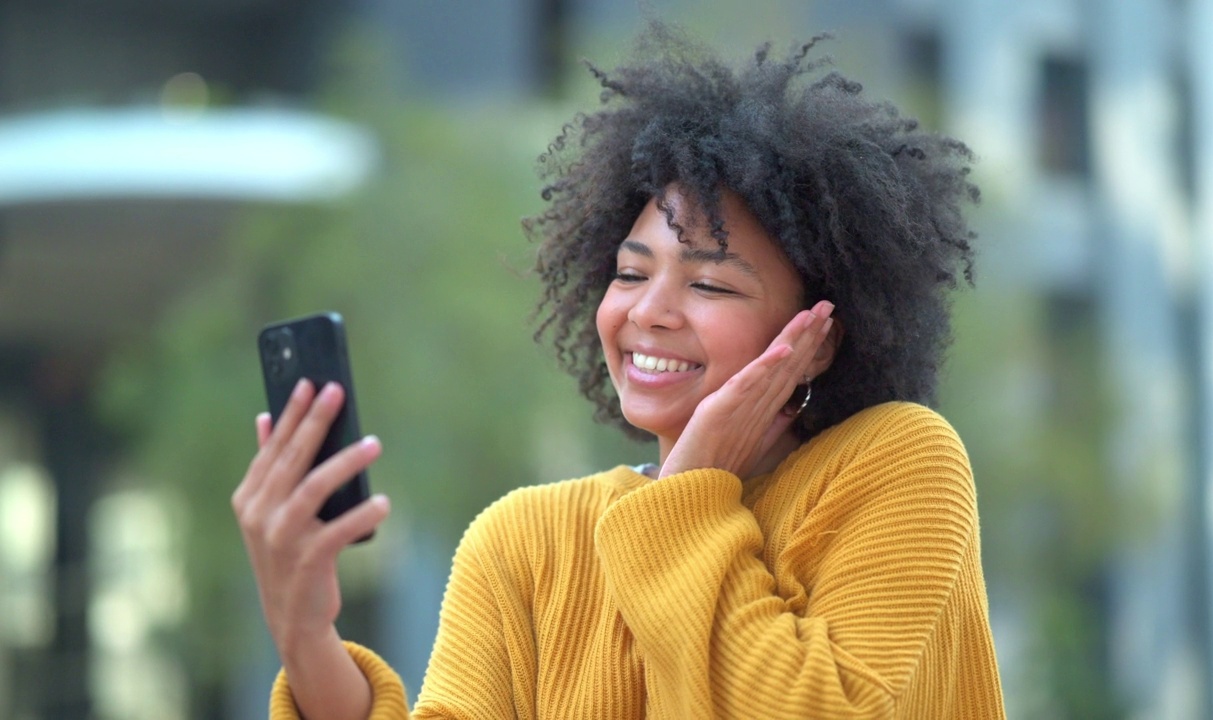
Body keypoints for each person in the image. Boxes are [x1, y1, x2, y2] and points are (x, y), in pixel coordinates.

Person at [233, 21, 1005, 720]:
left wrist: (689, 498)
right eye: (631, 274)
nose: (650, 311)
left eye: (709, 283)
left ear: (822, 335)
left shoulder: (898, 463)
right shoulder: (524, 543)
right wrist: (305, 639)